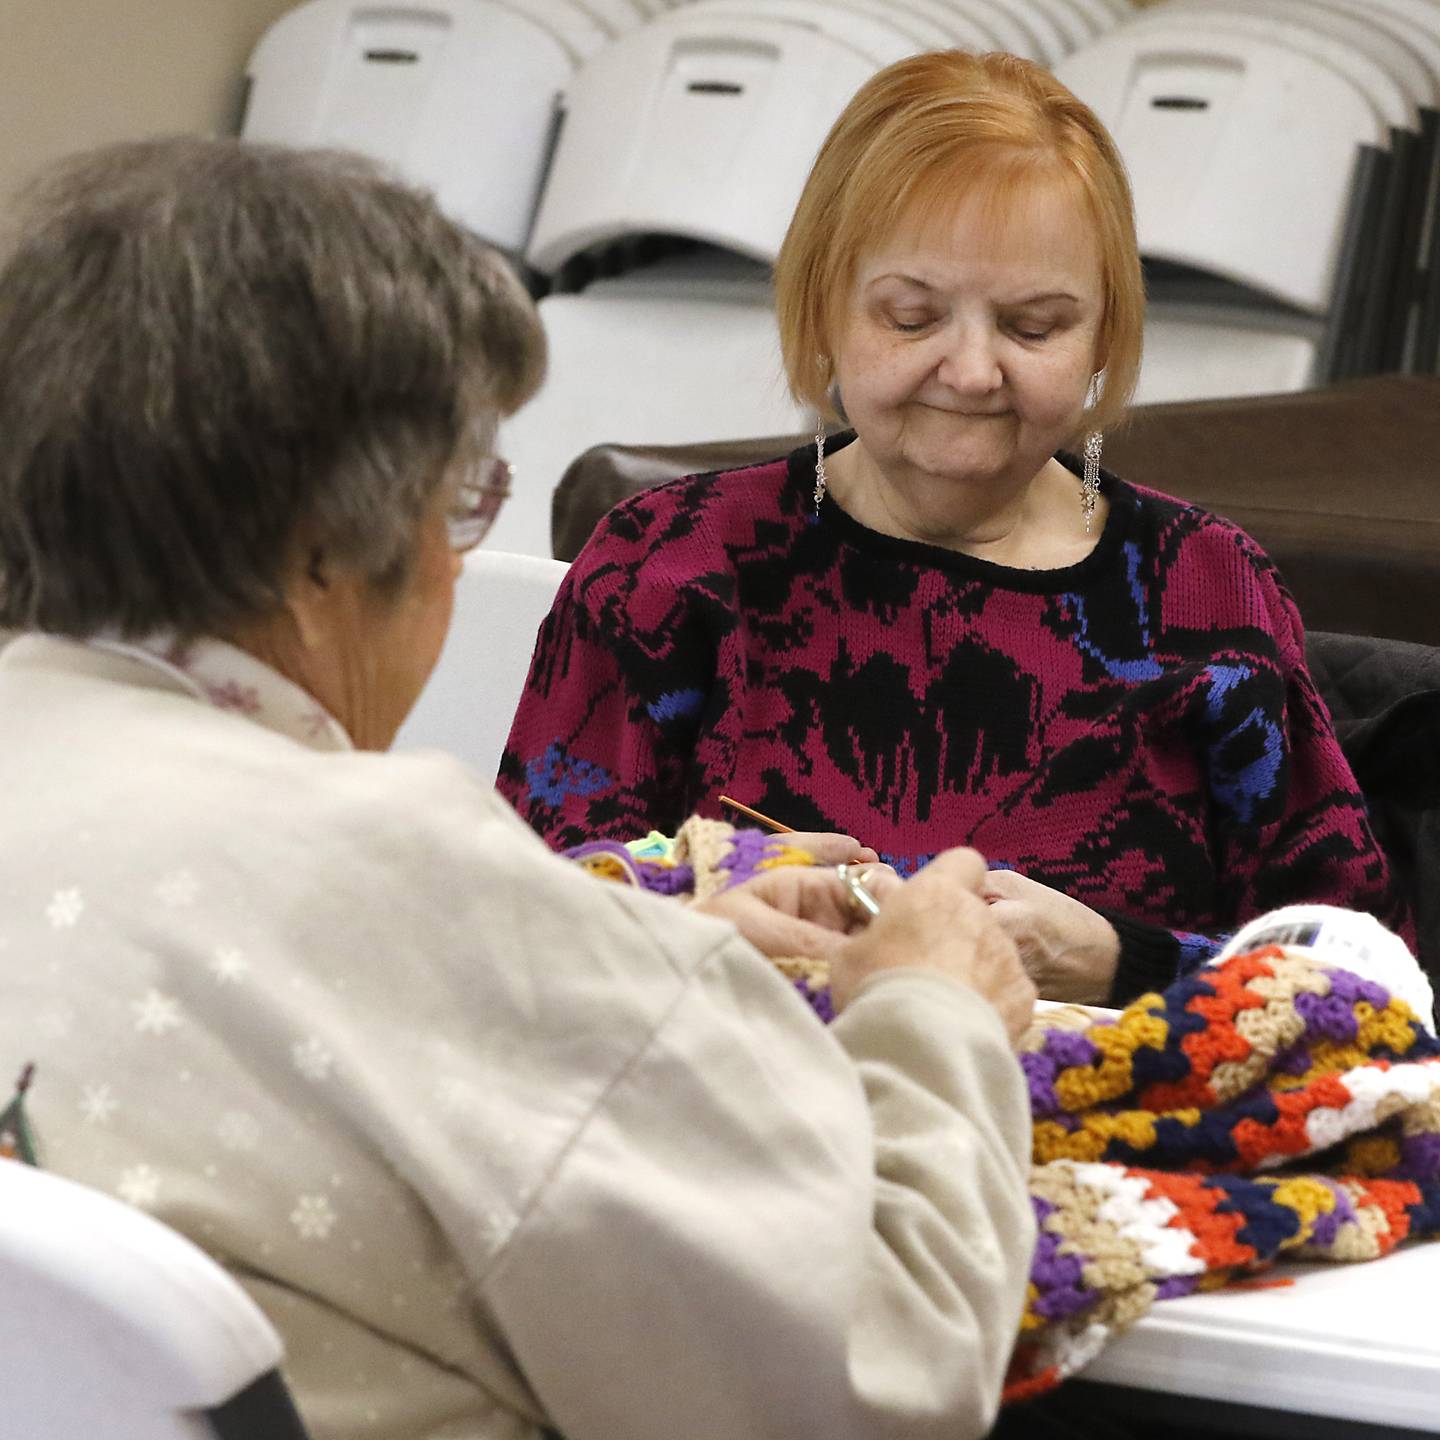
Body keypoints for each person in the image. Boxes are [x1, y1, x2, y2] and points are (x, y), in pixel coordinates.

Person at [0, 137, 1038, 1440]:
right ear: (328, 548)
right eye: (462, 503)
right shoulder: (391, 871)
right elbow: (881, 1373)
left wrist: (634, 979)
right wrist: (932, 1010)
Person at [499, 49, 1407, 1007]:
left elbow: (1369, 988)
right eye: (911, 315)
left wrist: (1121, 962)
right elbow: (516, 918)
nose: (972, 372)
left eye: (1034, 327)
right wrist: (695, 900)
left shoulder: (1209, 588)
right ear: (822, 314)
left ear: (1105, 341)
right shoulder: (672, 563)